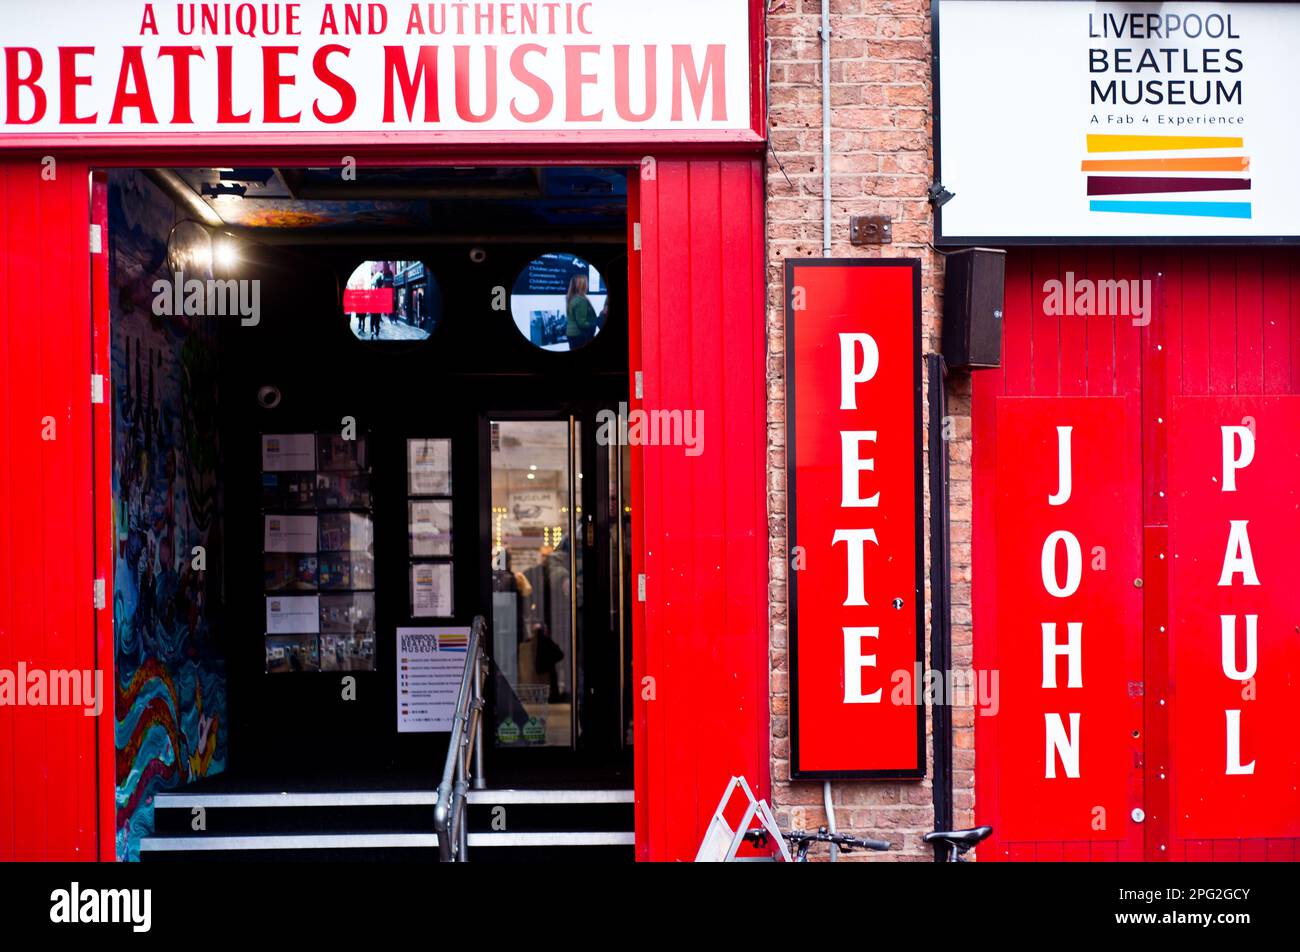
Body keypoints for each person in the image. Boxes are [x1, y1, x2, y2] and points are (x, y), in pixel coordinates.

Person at [565, 274, 599, 350]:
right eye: (586, 283)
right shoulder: (581, 300)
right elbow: (582, 323)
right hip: (579, 336)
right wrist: (593, 324)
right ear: (582, 285)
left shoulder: (570, 297)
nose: (588, 285)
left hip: (571, 333)